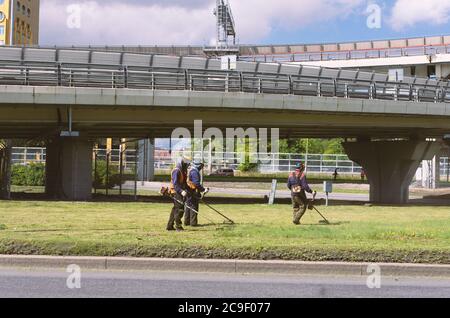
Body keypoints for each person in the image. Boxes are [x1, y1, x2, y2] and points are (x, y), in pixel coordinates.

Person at [167, 158, 190, 232]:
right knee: (179, 209)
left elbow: (184, 183)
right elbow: (176, 184)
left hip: (180, 191)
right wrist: (181, 191)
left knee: (175, 209)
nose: (187, 166)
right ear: (182, 163)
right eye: (186, 164)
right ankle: (178, 226)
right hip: (176, 192)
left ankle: (170, 226)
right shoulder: (176, 171)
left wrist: (190, 191)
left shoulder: (183, 171)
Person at [185, 161, 209, 227]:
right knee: (194, 206)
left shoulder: (192, 170)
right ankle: (193, 223)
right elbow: (196, 183)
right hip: (193, 192)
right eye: (201, 166)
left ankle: (187, 222)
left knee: (188, 206)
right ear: (198, 165)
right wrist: (203, 189)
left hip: (189, 191)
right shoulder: (195, 172)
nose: (202, 167)